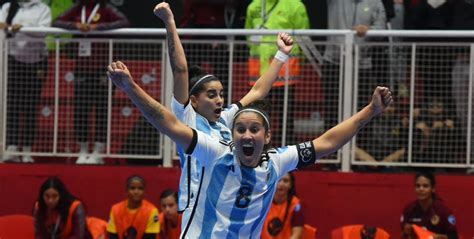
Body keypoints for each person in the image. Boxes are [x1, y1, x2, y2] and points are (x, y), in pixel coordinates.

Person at [107, 59, 392, 237]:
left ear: (266, 137)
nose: (246, 135)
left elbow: (327, 142)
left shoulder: (277, 162)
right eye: (240, 129)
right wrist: (131, 87)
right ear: (232, 134)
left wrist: (370, 111)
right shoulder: (216, 152)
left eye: (253, 130)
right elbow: (168, 123)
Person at [154, 2, 294, 229]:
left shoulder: (226, 120)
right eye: (211, 95)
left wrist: (281, 54)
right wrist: (170, 23)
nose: (219, 100)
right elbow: (180, 70)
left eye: (221, 94)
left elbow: (258, 91)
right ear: (195, 101)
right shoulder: (187, 118)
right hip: (196, 205)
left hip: (224, 200)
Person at [52, 0, 129, 164]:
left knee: (102, 109)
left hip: (104, 66)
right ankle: (83, 149)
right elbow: (57, 21)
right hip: (82, 67)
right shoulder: (77, 8)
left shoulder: (106, 8)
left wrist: (98, 27)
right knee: (81, 109)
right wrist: (76, 26)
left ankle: (98, 151)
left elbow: (124, 22)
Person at [245, 0, 310, 146]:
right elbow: (248, 36)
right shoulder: (253, 6)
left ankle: (285, 149)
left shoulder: (295, 5)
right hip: (258, 72)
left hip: (285, 72)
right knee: (259, 113)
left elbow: (304, 37)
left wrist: (300, 61)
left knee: (285, 114)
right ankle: (260, 148)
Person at [322, 0, 387, 130]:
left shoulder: (375, 3)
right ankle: (331, 149)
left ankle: (361, 147)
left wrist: (369, 30)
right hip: (334, 62)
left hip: (362, 64)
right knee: (332, 110)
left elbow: (382, 28)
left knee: (362, 110)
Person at [0, 0, 51, 163]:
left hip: (36, 61)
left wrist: (22, 28)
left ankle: (27, 150)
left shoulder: (43, 8)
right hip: (13, 59)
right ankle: (12, 147)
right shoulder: (9, 6)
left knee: (30, 106)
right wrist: (7, 27)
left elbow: (44, 31)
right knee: (12, 105)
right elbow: (1, 25)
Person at [400, 171, 459, 239]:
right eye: (418, 186)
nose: (421, 189)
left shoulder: (443, 211)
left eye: (425, 186)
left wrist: (440, 237)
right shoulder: (409, 209)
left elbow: (454, 237)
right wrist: (405, 232)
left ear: (433, 189)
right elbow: (403, 236)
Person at [261, 172, 304, 239]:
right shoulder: (263, 201)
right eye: (279, 180)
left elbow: (297, 234)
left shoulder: (295, 204)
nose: (281, 184)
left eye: (285, 181)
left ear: (290, 185)